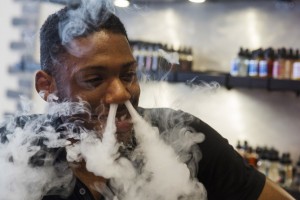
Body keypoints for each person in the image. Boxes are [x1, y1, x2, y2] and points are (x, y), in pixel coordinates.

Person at [1, 3, 295, 200]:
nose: (121, 93)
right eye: (94, 79)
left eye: (128, 74)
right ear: (46, 86)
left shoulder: (184, 138)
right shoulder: (13, 151)